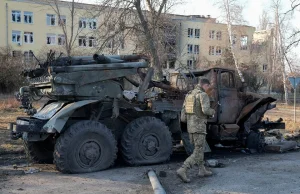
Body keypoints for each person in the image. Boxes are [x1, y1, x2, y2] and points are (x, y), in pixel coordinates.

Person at [177, 78, 215, 183]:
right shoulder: (203, 95)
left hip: (191, 127)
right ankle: (183, 169)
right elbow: (206, 110)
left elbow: (183, 116)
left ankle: (202, 170)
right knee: (198, 151)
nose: (209, 89)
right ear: (205, 85)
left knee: (199, 149)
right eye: (208, 87)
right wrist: (213, 111)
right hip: (199, 127)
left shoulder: (189, 95)